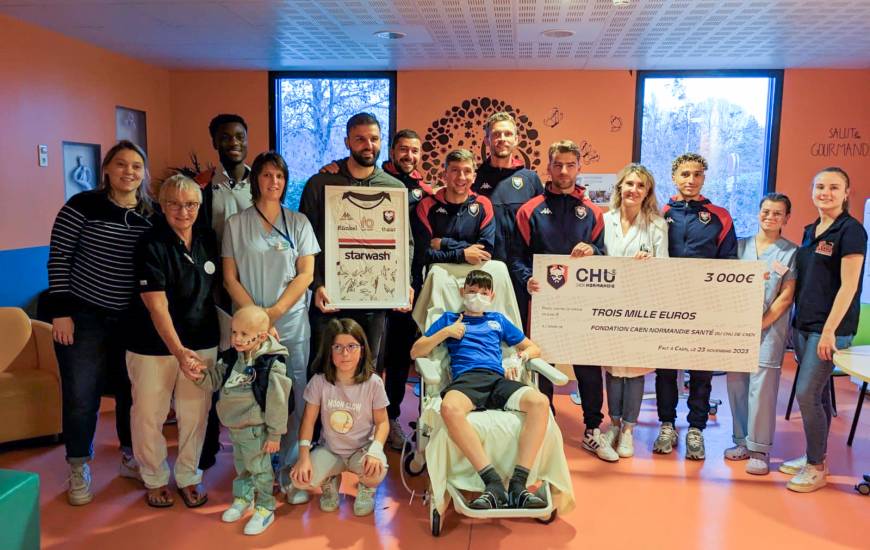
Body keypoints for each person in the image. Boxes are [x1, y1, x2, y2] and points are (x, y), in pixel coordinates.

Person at [48, 140, 153, 506]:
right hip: (82, 316)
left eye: (136, 166)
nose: (129, 172)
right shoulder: (82, 206)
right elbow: (59, 257)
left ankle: (129, 455)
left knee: (130, 393)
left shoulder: (149, 212)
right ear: (107, 168)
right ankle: (78, 465)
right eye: (121, 164)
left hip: (131, 320)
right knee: (81, 395)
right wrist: (61, 311)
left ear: (144, 173)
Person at [323, 129, 435, 450]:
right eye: (403, 150)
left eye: (414, 151)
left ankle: (392, 417)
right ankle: (349, 424)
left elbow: (420, 243)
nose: (409, 156)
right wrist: (335, 167)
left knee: (398, 358)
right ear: (392, 150)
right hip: (358, 284)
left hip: (402, 288)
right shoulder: (373, 181)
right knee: (360, 355)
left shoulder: (427, 193)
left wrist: (408, 285)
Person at [222, 151, 320, 502]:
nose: (273, 182)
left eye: (279, 176)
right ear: (255, 181)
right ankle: (254, 471)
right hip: (248, 329)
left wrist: (274, 314)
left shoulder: (299, 223)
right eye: (266, 175)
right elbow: (229, 277)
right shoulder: (236, 224)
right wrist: (256, 319)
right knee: (250, 396)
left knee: (291, 391)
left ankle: (291, 469)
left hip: (290, 323)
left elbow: (306, 274)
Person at [410, 270, 551, 509]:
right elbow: (416, 351)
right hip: (467, 380)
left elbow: (533, 348)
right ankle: (493, 483)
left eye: (483, 292)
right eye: (472, 291)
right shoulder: (449, 319)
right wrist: (446, 332)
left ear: (492, 295)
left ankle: (518, 485)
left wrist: (519, 358)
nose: (477, 296)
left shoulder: (498, 320)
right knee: (449, 408)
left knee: (540, 403)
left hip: (497, 379)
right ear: (462, 292)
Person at [511, 140, 616, 462]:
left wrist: (593, 252)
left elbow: (603, 255)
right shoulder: (530, 210)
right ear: (549, 167)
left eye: (570, 165)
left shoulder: (594, 213)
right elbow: (516, 257)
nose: (564, 171)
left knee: (588, 367)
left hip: (582, 305)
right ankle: (545, 426)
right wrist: (527, 277)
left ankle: (592, 430)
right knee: (543, 365)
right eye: (558, 165)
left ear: (579, 167)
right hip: (543, 305)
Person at [298, 112, 413, 390]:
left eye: (373, 139)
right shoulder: (321, 184)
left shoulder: (394, 188)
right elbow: (304, 241)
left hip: (375, 298)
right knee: (322, 367)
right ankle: (317, 432)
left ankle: (366, 431)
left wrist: (403, 283)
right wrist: (316, 285)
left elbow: (404, 244)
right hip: (330, 296)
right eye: (360, 139)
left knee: (369, 369)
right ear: (347, 141)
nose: (368, 145)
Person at [126, 174, 219, 508]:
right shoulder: (150, 243)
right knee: (149, 413)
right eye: (175, 204)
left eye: (191, 204)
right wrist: (179, 351)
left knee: (196, 413)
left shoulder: (208, 238)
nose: (184, 211)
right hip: (153, 346)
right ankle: (153, 477)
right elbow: (156, 305)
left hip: (203, 342)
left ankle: (189, 476)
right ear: (162, 205)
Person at [781, 167, 866, 492]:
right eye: (820, 186)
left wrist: (829, 331)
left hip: (829, 329)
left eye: (833, 187)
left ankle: (816, 467)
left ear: (846, 192)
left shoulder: (851, 231)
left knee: (805, 393)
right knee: (816, 395)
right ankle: (814, 456)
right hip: (804, 324)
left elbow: (848, 287)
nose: (825, 192)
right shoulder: (811, 229)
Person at [653, 153, 737, 460]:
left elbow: (729, 263)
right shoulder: (659, 212)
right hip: (666, 303)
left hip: (705, 306)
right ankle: (666, 424)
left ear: (704, 178)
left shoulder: (721, 216)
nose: (691, 180)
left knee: (701, 372)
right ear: (674, 177)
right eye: (685, 174)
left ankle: (696, 429)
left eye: (697, 174)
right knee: (665, 369)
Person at [192, 306, 292, 535]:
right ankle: (243, 498)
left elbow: (278, 402)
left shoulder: (270, 364)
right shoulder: (231, 357)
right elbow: (215, 380)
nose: (236, 338)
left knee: (261, 470)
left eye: (244, 334)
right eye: (234, 332)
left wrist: (275, 434)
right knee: (242, 467)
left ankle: (265, 507)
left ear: (262, 336)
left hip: (256, 430)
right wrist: (200, 375)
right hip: (235, 429)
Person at [194, 113, 253, 470]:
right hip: (214, 291)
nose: (234, 143)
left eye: (240, 136)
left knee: (252, 364)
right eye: (226, 137)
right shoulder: (201, 187)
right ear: (215, 142)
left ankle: (255, 442)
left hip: (254, 289)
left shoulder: (259, 185)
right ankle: (208, 445)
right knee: (218, 366)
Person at [723, 193, 797, 474]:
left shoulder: (790, 252)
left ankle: (760, 449)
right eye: (766, 211)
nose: (771, 217)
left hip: (770, 330)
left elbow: (786, 296)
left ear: (786, 218)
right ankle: (741, 442)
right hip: (736, 329)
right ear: (758, 213)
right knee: (737, 385)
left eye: (778, 213)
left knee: (762, 388)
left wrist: (761, 323)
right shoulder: (739, 246)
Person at [599, 164, 669, 458]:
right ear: (620, 188)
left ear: (647, 192)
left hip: (641, 303)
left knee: (635, 369)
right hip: (609, 304)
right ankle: (613, 424)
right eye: (629, 184)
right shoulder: (605, 220)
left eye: (640, 186)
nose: (634, 190)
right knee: (613, 368)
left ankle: (628, 430)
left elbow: (665, 264)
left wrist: (650, 260)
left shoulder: (656, 224)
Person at [290, 318, 390, 517]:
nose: (345, 354)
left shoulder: (373, 383)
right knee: (299, 479)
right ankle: (329, 480)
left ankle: (367, 489)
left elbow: (383, 422)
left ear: (362, 349)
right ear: (329, 351)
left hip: (361, 451)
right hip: (331, 450)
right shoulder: (319, 382)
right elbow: (308, 421)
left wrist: (376, 450)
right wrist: (303, 458)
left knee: (378, 469)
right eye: (338, 347)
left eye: (352, 346)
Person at [473, 112, 545, 323]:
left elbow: (543, 222)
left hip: (521, 271)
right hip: (486, 267)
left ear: (516, 139)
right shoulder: (475, 178)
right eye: (496, 134)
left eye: (507, 134)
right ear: (487, 139)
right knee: (486, 323)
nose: (502, 139)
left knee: (518, 324)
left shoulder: (530, 179)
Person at [415, 148, 496, 270]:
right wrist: (462, 254)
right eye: (455, 170)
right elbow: (423, 254)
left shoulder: (484, 204)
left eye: (467, 171)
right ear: (444, 175)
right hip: (439, 278)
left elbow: (485, 252)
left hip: (474, 280)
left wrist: (444, 243)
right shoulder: (426, 205)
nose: (461, 177)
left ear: (474, 177)